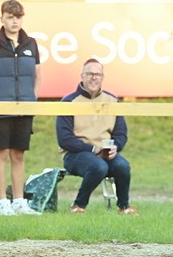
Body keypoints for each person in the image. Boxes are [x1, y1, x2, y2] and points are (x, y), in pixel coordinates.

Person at [0, 0, 42, 216]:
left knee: (18, 154)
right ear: (2, 19)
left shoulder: (31, 44)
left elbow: (37, 74)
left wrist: (32, 97)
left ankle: (19, 202)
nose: (14, 22)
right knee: (1, 152)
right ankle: (2, 202)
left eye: (18, 17)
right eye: (10, 17)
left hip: (24, 107)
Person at [57, 58, 138, 215]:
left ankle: (124, 207)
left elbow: (121, 133)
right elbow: (64, 139)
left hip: (106, 152)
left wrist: (117, 147)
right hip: (75, 155)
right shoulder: (68, 101)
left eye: (98, 74)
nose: (94, 77)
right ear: (82, 76)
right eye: (90, 74)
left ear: (102, 78)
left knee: (122, 166)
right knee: (99, 166)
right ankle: (78, 206)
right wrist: (93, 149)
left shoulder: (112, 100)